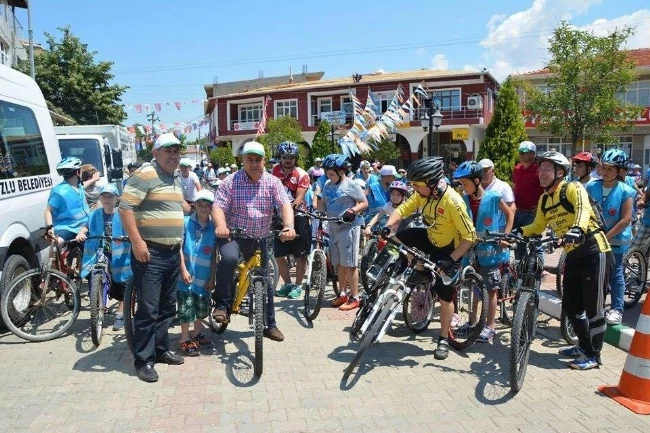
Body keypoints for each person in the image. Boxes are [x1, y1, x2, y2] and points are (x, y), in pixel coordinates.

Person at [517, 151, 613, 370]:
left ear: (560, 172)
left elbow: (583, 211)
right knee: (570, 305)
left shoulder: (572, 188)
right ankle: (583, 345)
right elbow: (537, 227)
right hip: (573, 254)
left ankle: (593, 355)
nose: (541, 173)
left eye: (547, 169)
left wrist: (577, 228)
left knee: (593, 308)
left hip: (594, 250)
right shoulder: (544, 199)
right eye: (540, 169)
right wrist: (515, 232)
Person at [383, 156, 477, 360]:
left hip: (449, 250)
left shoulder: (453, 201)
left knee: (445, 296)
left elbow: (470, 237)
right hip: (431, 238)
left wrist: (451, 260)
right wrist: (388, 225)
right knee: (398, 237)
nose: (415, 189)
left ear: (433, 183)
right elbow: (403, 209)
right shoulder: (424, 194)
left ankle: (443, 338)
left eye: (418, 185)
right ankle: (420, 270)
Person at [119, 133, 191, 383]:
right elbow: (125, 207)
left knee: (167, 308)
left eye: (176, 151)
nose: (173, 155)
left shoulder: (173, 177)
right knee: (148, 310)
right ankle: (144, 360)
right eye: (168, 151)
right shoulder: (145, 174)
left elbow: (178, 207)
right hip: (150, 252)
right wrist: (137, 242)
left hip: (171, 253)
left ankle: (160, 350)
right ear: (156, 152)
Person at [211, 141, 296, 342]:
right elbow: (218, 207)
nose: (254, 163)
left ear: (264, 161)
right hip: (233, 235)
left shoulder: (273, 182)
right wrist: (221, 226)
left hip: (260, 237)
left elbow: (285, 205)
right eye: (250, 159)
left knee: (265, 281)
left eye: (258, 159)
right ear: (242, 160)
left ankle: (270, 325)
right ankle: (221, 305)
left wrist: (289, 226)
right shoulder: (230, 182)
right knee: (230, 259)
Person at [453, 161, 513, 343]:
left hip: (490, 252)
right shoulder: (463, 200)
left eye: (465, 183)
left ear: (477, 180)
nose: (463, 187)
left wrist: (506, 237)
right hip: (470, 251)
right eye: (461, 184)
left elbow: (510, 214)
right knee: (471, 287)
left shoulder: (494, 197)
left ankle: (490, 327)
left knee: (491, 290)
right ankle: (472, 323)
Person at [585, 149, 635, 326]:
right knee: (595, 273)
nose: (605, 172)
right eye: (603, 167)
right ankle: (595, 307)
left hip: (616, 240)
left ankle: (617, 309)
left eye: (610, 169)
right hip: (595, 238)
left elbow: (625, 219)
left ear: (620, 171)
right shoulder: (591, 186)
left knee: (615, 273)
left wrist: (606, 236)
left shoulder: (626, 191)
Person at [318, 154, 368, 310]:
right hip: (333, 227)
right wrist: (317, 209)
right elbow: (323, 205)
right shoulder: (327, 184)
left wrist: (352, 211)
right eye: (327, 173)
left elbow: (364, 203)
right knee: (339, 263)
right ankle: (342, 293)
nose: (328, 175)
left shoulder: (351, 185)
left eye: (331, 173)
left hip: (349, 228)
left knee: (350, 264)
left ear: (341, 172)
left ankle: (355, 297)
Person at [79, 184, 132, 331]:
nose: (107, 199)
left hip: (119, 251)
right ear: (100, 198)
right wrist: (81, 233)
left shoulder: (122, 214)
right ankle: (98, 304)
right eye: (104, 196)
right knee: (92, 275)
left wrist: (128, 236)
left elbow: (131, 228)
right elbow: (86, 226)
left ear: (116, 198)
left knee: (122, 282)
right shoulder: (95, 214)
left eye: (110, 196)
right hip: (99, 250)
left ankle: (121, 314)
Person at [177, 189, 216, 356]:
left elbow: (215, 255)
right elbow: (178, 248)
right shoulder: (185, 222)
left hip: (204, 275)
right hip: (185, 275)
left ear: (212, 207)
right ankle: (184, 338)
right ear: (195, 205)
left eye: (207, 204)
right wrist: (183, 269)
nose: (203, 207)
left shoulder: (214, 227)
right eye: (200, 203)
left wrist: (212, 277)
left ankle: (197, 333)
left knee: (201, 307)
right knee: (186, 308)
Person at [271, 141, 311, 299]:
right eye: (284, 157)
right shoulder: (274, 170)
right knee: (279, 254)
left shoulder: (302, 174)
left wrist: (288, 211)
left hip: (299, 216)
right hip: (277, 217)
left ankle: (298, 285)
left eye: (291, 157)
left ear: (296, 158)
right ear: (280, 157)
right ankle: (287, 283)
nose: (288, 160)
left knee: (300, 254)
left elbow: (299, 198)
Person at [44, 157, 91, 246]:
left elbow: (84, 185)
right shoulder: (59, 191)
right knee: (57, 242)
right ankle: (53, 259)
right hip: (67, 228)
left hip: (85, 226)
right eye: (80, 170)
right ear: (77, 172)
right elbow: (48, 211)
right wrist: (49, 227)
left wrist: (94, 179)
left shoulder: (78, 186)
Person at [512, 141, 544, 229]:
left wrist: (541, 206)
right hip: (517, 212)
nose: (521, 155)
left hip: (532, 214)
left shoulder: (540, 169)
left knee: (531, 240)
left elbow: (547, 189)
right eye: (520, 152)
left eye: (524, 152)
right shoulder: (517, 169)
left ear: (533, 154)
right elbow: (514, 187)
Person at [479, 158, 515, 230]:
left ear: (493, 171)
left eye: (485, 171)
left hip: (498, 228)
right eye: (480, 171)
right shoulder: (475, 186)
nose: (483, 174)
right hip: (480, 228)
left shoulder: (503, 186)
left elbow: (512, 208)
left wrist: (507, 232)